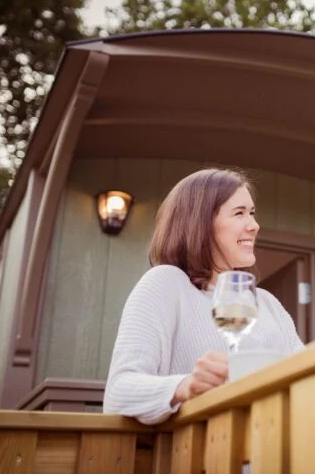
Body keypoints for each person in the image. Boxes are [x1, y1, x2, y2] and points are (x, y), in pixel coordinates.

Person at [104, 168, 304, 425]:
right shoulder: (166, 283)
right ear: (201, 222)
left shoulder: (266, 302)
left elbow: (303, 375)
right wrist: (185, 386)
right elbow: (118, 393)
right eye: (239, 213)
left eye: (252, 213)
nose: (254, 225)